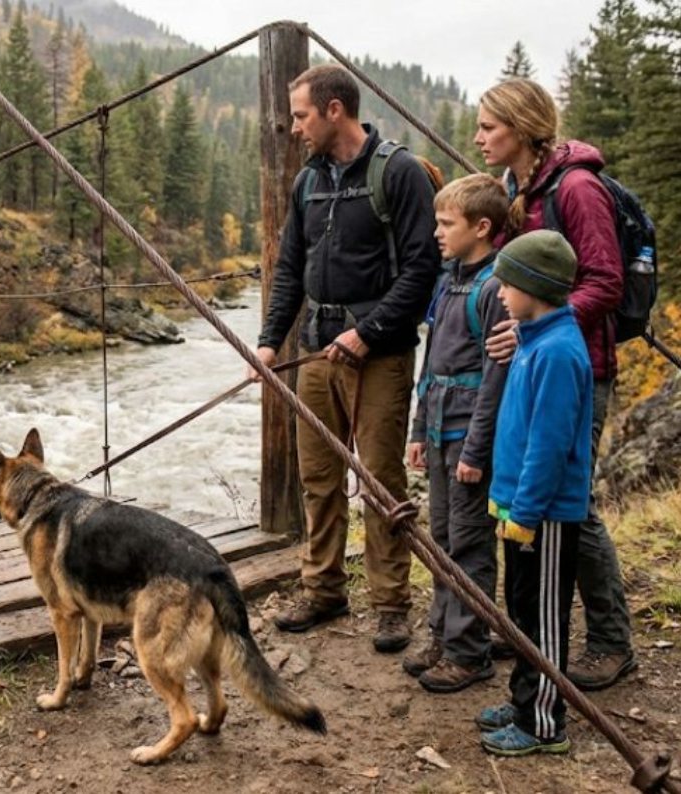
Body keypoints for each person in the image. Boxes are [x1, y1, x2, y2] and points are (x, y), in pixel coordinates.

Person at [251, 65, 440, 652]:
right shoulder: (308, 182)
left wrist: (369, 332)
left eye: (302, 115)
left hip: (377, 354)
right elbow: (290, 269)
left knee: (382, 479)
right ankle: (324, 589)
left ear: (335, 110)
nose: (295, 128)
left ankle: (389, 605)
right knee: (319, 477)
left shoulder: (400, 174)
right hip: (314, 348)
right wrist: (267, 340)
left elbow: (421, 271)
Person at [475, 78, 635, 689]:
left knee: (574, 506)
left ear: (520, 125)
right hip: (539, 360)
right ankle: (533, 630)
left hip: (580, 368)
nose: (480, 136)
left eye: (490, 126)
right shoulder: (522, 188)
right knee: (543, 503)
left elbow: (605, 281)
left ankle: (611, 641)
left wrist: (538, 332)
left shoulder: (577, 187)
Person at [475, 229, 593, 757]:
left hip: (542, 515)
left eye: (508, 284)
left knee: (542, 618)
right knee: (522, 612)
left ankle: (544, 721)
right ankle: (526, 699)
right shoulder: (532, 341)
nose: (500, 292)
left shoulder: (560, 353)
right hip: (520, 508)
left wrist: (524, 509)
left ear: (534, 287)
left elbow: (548, 444)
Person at [402, 174, 510, 692]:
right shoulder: (449, 281)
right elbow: (431, 363)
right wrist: (419, 427)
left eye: (447, 224)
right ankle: (444, 635)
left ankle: (470, 651)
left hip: (468, 435)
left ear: (482, 228)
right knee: (442, 537)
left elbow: (495, 378)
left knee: (468, 543)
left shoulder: (493, 290)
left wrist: (476, 448)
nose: (438, 232)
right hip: (441, 428)